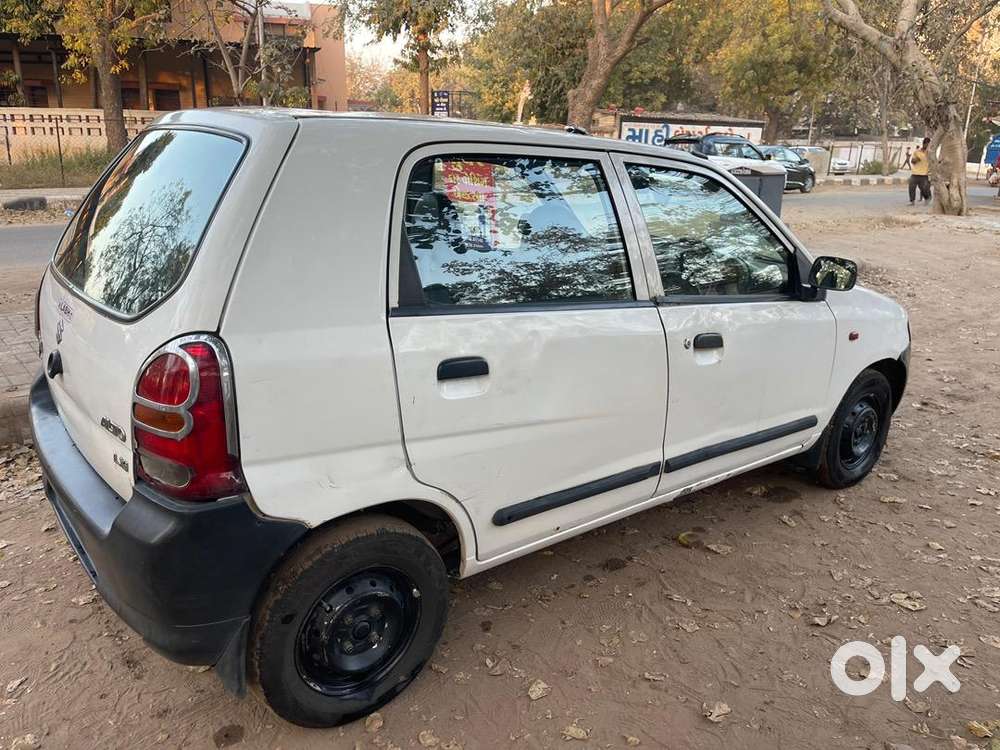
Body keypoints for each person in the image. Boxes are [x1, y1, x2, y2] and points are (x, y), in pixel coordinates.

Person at [908, 138, 932, 205]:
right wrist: (916, 160)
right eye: (927, 145)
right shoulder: (917, 152)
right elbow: (912, 161)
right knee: (911, 187)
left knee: (924, 188)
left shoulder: (930, 153)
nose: (927, 146)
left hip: (924, 174)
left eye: (929, 145)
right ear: (924, 144)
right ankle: (912, 201)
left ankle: (927, 198)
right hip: (915, 173)